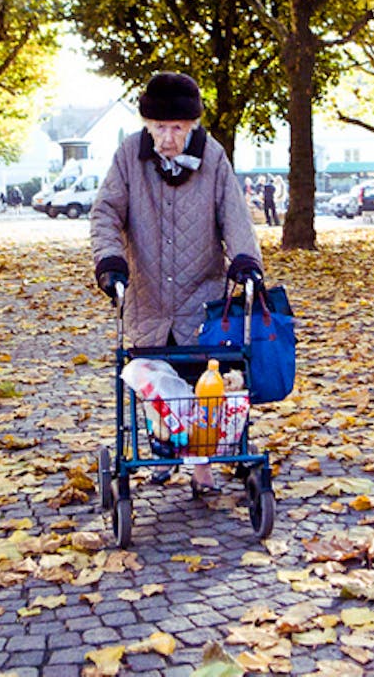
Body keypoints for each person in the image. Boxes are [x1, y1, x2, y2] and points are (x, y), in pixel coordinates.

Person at [90, 72, 264, 490]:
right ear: (148, 125)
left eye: (178, 129)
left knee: (201, 381)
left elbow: (234, 216)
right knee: (154, 379)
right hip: (147, 293)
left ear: (193, 127)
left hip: (200, 293)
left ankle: (202, 465)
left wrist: (245, 260)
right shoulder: (129, 155)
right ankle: (164, 453)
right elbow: (106, 213)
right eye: (160, 128)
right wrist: (110, 259)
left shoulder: (214, 158)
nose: (168, 139)